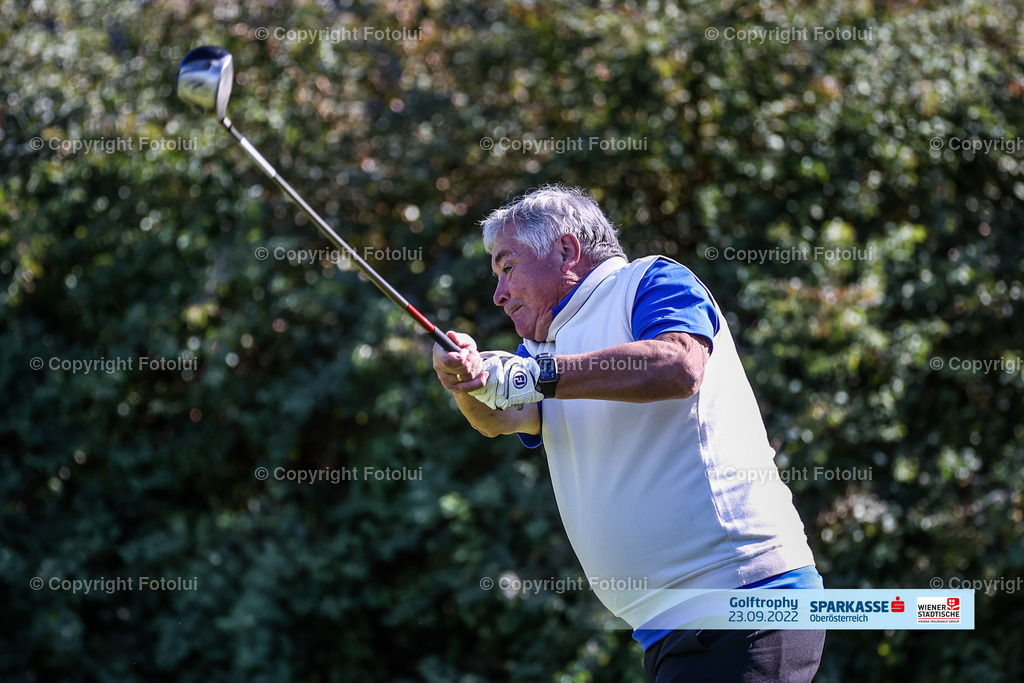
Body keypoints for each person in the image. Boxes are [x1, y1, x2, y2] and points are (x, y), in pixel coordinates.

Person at [432, 185, 825, 682]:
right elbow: (497, 419)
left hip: (749, 602)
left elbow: (680, 365)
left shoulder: (649, 280)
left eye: (507, 267)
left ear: (567, 251)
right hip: (668, 633)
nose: (498, 294)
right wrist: (465, 382)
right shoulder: (543, 353)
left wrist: (533, 375)